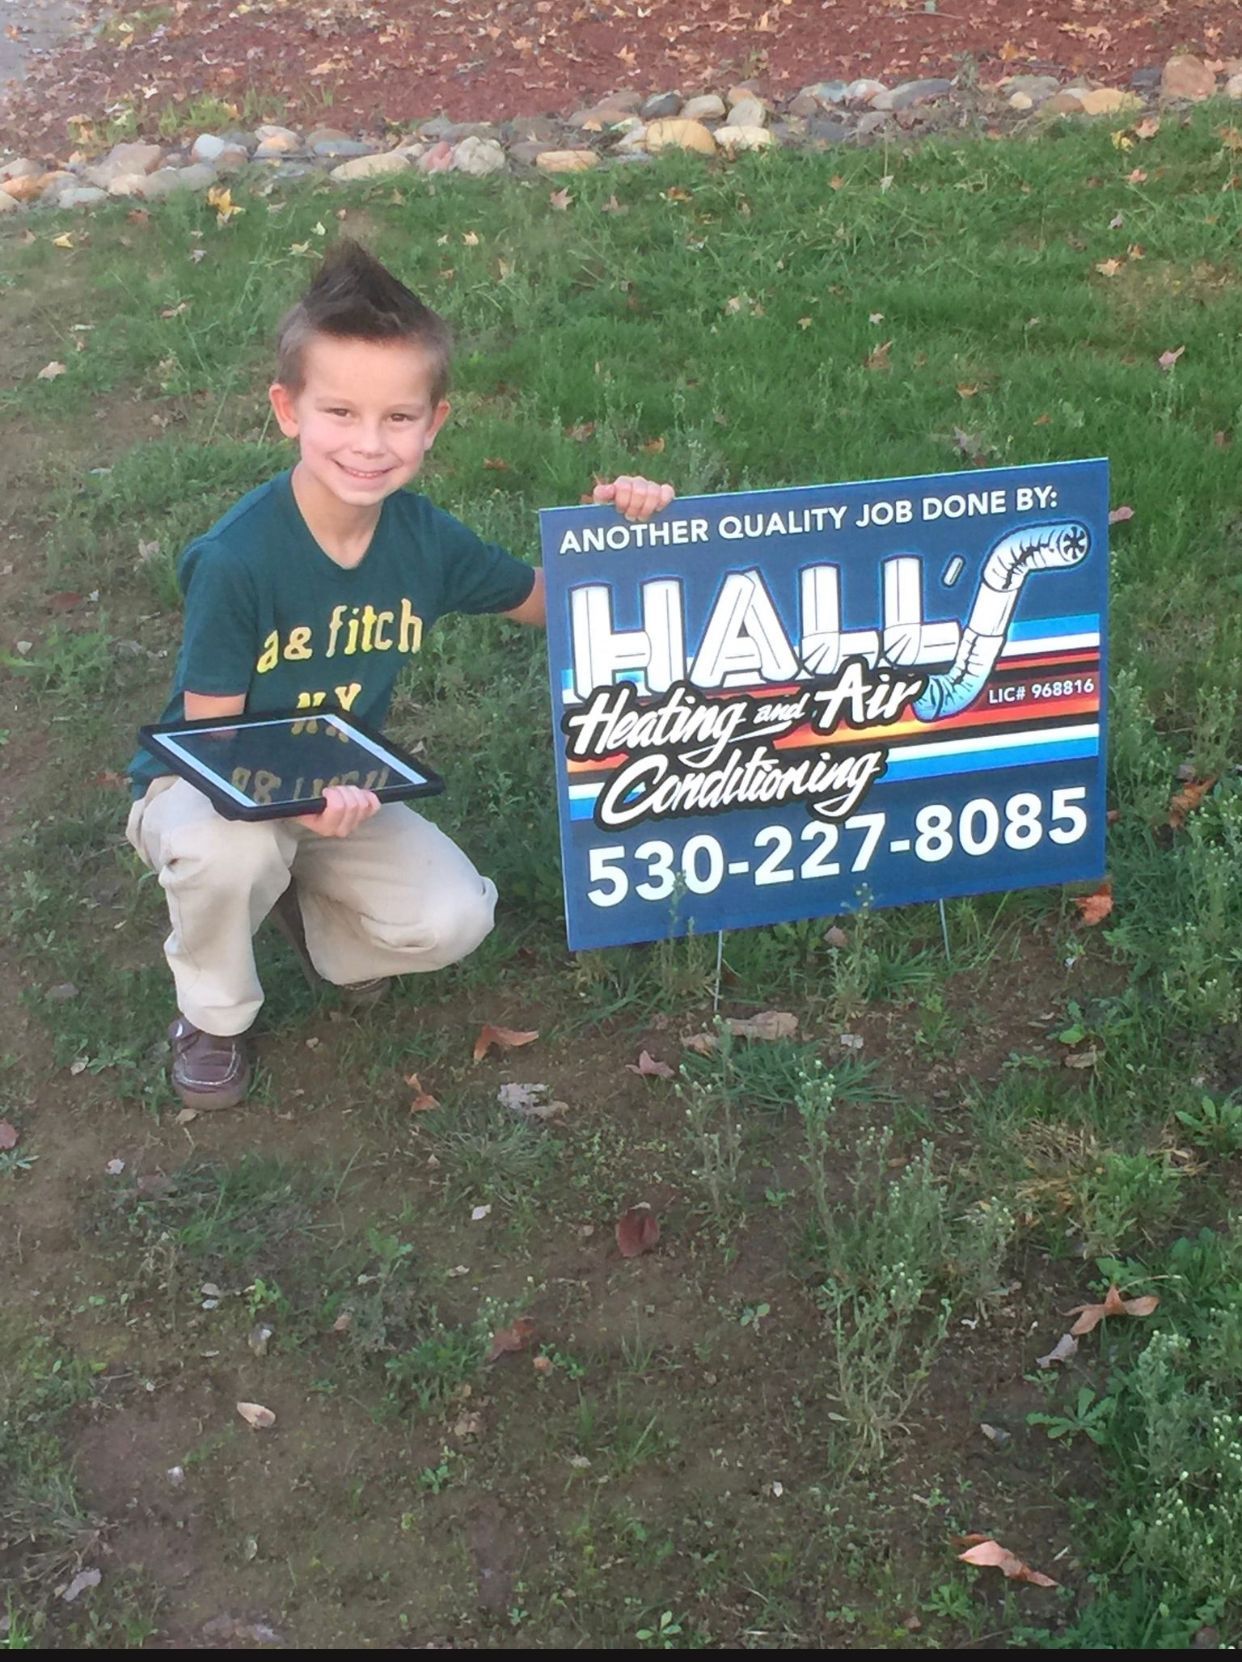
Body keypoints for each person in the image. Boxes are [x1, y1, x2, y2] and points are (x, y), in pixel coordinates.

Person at [126, 240, 674, 1111]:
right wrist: (294, 804)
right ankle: (213, 1015)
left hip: (342, 785)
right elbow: (211, 739)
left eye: (398, 417)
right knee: (227, 850)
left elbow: (553, 603)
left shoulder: (421, 539)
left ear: (435, 422)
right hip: (208, 782)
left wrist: (620, 532)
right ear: (287, 409)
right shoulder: (239, 559)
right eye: (339, 412)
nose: (369, 445)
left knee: (456, 917)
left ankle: (320, 929)